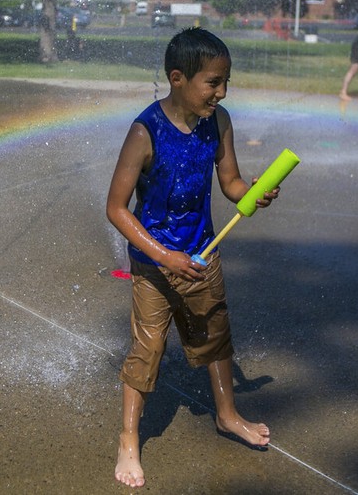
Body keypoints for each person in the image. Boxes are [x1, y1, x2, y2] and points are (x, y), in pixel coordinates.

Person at [106, 27, 279, 489]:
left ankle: (227, 414)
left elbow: (231, 183)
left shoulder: (218, 122)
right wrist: (165, 256)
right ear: (178, 78)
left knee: (215, 335)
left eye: (225, 83)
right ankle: (128, 438)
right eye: (213, 83)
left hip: (203, 253)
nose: (221, 93)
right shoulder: (146, 132)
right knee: (148, 350)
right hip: (155, 263)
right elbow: (116, 208)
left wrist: (254, 193)